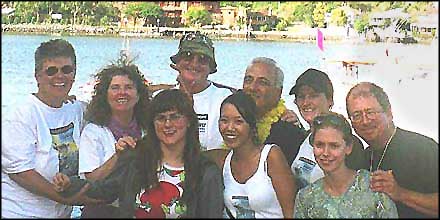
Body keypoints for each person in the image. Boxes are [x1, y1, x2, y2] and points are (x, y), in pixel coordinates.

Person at [53, 89, 224, 218]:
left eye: (175, 117)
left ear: (188, 122)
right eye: (161, 118)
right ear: (152, 123)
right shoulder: (136, 159)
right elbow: (106, 190)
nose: (167, 124)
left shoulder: (206, 172)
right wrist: (70, 184)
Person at [1, 39, 85, 218]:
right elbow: (21, 173)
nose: (60, 76)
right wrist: (69, 199)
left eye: (67, 70)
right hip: (20, 213)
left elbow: (114, 103)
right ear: (37, 76)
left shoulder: (76, 108)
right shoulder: (20, 115)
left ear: (74, 74)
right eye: (51, 71)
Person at [345, 82, 438, 218]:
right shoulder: (363, 157)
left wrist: (400, 193)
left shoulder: (423, 149)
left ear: (389, 112)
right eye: (357, 115)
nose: (365, 121)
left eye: (370, 112)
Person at [77, 57, 150, 218]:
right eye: (115, 88)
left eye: (128, 87)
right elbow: (91, 181)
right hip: (101, 211)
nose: (122, 92)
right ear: (105, 95)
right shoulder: (93, 132)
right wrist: (118, 156)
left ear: (138, 95)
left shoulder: (149, 129)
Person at [206, 90, 295, 218]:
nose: (230, 128)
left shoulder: (270, 156)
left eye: (238, 121)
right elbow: (187, 154)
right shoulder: (221, 160)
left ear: (252, 125)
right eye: (224, 120)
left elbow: (291, 212)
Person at [294, 113, 398, 218]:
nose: (325, 153)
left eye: (334, 146)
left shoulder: (374, 187)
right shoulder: (306, 198)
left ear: (348, 147)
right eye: (319, 145)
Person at [288, 68, 366, 189]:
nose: (306, 102)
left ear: (330, 100)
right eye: (301, 97)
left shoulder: (348, 144)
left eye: (313, 96)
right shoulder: (302, 138)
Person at [168, 32, 236, 151]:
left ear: (211, 68)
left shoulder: (227, 98)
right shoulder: (161, 98)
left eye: (203, 59)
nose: (194, 64)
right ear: (177, 62)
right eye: (188, 56)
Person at [242, 57, 307, 167]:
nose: (253, 87)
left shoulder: (288, 132)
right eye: (249, 80)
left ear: (279, 91)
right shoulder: (234, 119)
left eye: (262, 82)